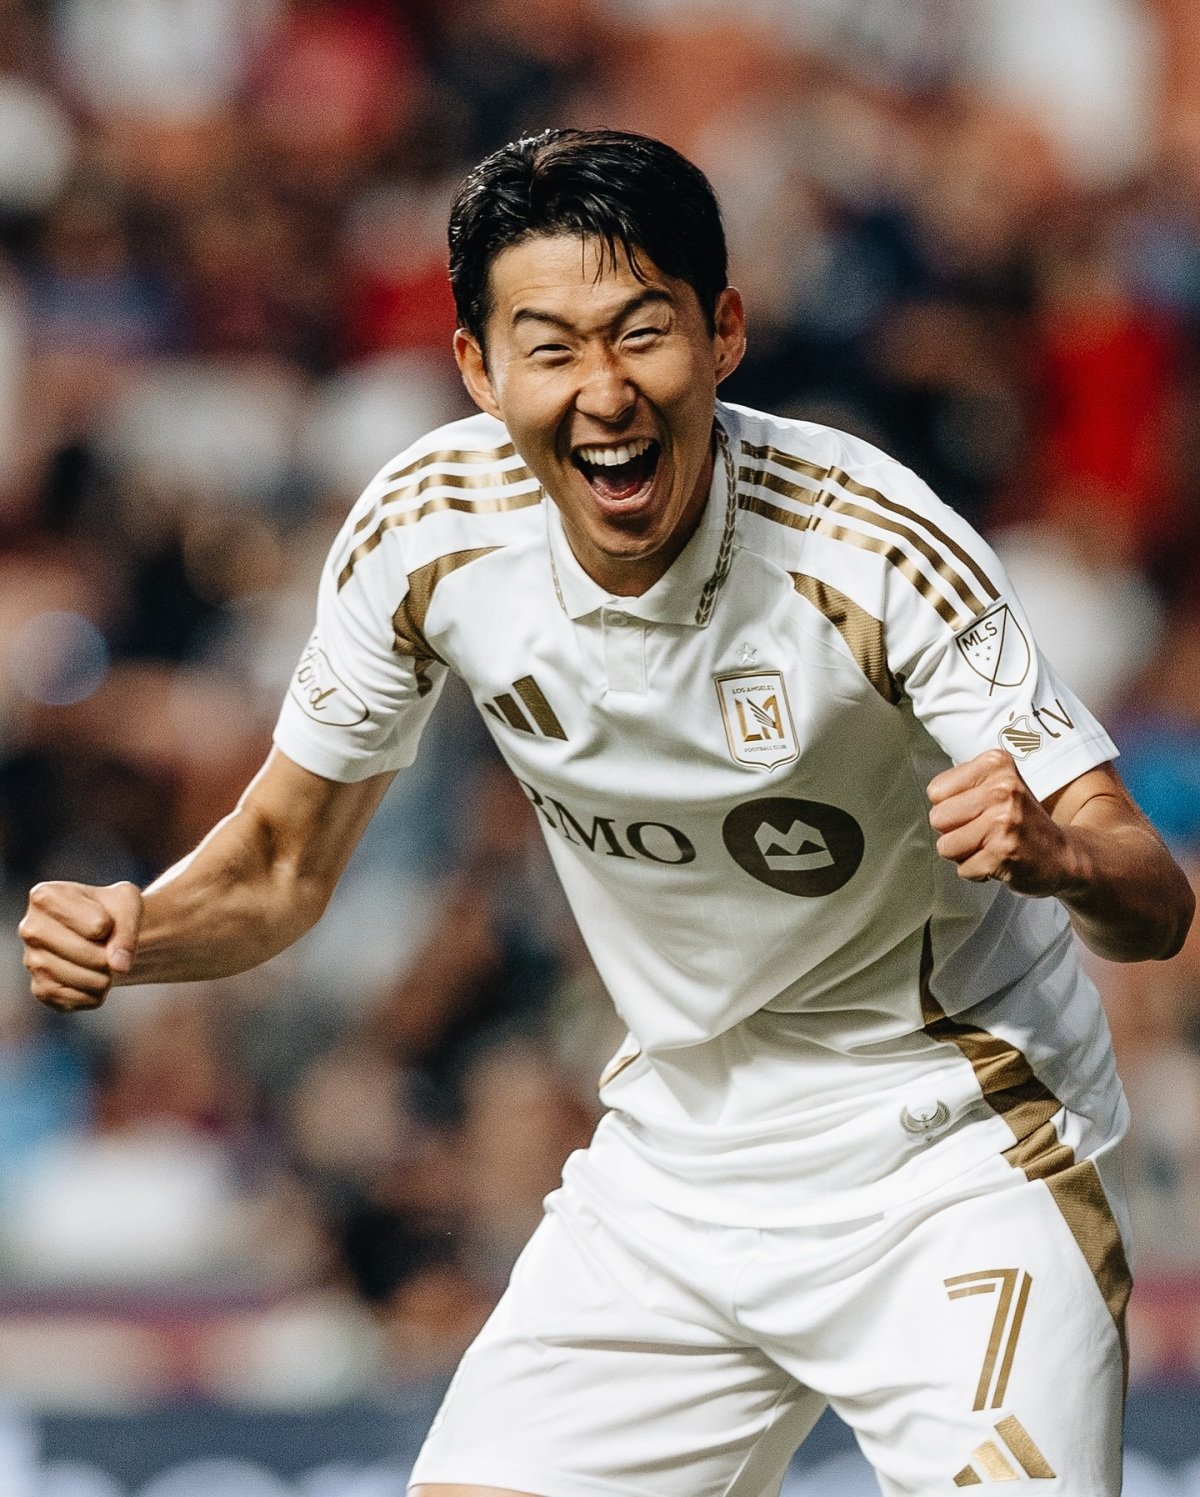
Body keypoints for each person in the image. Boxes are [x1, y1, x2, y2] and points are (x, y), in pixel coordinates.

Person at [19, 129, 1195, 1497]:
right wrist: (139, 928)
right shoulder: (426, 532)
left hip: (956, 1160)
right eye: (551, 348)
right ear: (479, 369)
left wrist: (1057, 854)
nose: (605, 393)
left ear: (723, 331)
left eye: (642, 333)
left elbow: (1153, 898)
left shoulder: (872, 545)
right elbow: (280, 864)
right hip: (673, 1168)